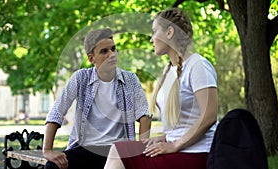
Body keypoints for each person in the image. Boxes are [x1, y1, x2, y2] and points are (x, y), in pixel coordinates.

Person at [104, 7, 218, 169]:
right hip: (177, 147)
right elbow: (183, 124)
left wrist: (175, 145)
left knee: (121, 153)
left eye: (155, 31)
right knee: (118, 149)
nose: (151, 39)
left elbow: (209, 116)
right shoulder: (169, 70)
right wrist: (165, 137)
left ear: (169, 32)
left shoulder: (198, 66)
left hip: (196, 153)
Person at [43, 28, 152, 169]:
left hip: (118, 151)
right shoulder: (80, 78)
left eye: (113, 49)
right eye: (104, 51)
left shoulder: (130, 79)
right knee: (52, 166)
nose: (112, 55)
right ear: (91, 58)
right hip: (85, 149)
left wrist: (141, 151)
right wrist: (47, 150)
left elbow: (144, 115)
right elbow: (56, 113)